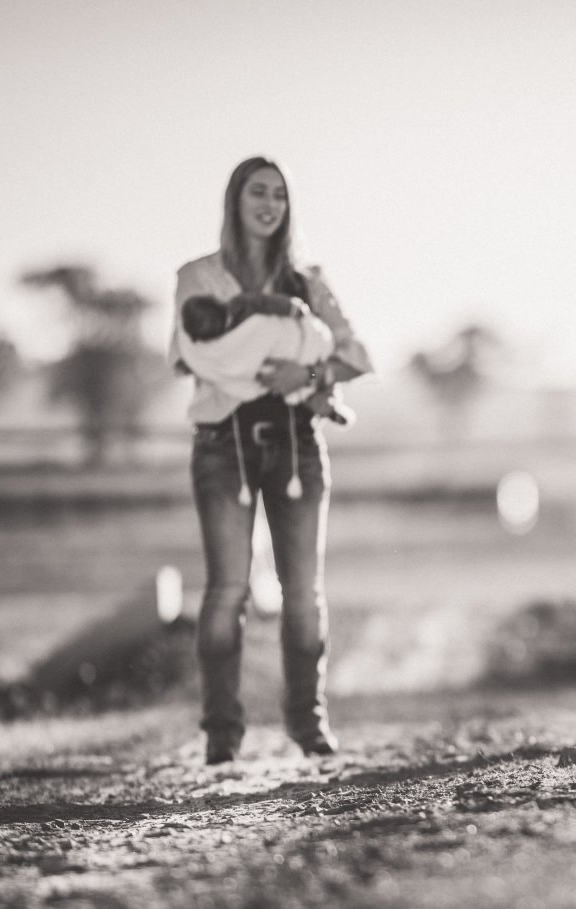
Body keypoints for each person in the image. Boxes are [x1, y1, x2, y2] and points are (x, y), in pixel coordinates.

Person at [170, 156, 372, 765]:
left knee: (303, 592)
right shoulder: (196, 277)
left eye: (280, 195)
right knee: (227, 590)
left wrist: (303, 375)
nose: (269, 204)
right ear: (235, 200)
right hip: (221, 444)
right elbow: (185, 355)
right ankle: (221, 733)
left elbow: (355, 355)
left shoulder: (308, 280)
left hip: (297, 444)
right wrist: (246, 346)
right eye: (258, 192)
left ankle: (308, 722)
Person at [179, 290, 355, 424]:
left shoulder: (242, 305)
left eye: (209, 320)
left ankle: (329, 403)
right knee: (305, 392)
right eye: (202, 327)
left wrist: (295, 310)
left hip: (308, 348)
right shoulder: (212, 352)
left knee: (318, 377)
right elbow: (228, 374)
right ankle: (327, 407)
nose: (208, 325)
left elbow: (269, 303)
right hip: (285, 378)